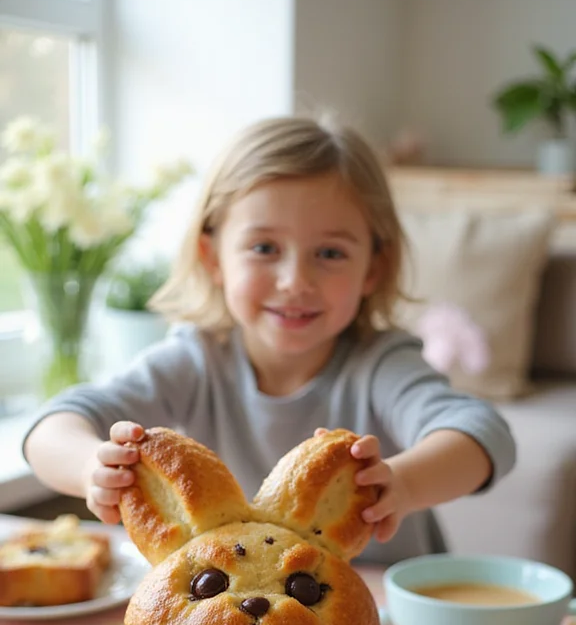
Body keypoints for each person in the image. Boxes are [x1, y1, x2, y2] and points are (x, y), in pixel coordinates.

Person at [24, 115, 516, 565]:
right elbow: (55, 423)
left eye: (329, 252)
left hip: (383, 611)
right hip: (250, 616)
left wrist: (403, 483)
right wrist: (90, 465)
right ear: (213, 256)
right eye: (264, 248)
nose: (294, 280)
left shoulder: (380, 364)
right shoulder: (195, 360)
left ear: (375, 267)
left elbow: (482, 433)